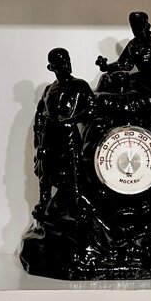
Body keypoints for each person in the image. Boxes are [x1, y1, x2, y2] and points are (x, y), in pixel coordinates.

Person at [32, 48, 93, 217]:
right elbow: (40, 115)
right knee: (45, 171)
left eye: (67, 60)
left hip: (69, 136)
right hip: (49, 137)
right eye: (61, 62)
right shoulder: (48, 90)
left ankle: (77, 203)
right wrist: (38, 142)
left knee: (74, 170)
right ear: (51, 67)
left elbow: (92, 109)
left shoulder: (79, 85)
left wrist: (71, 120)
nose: (67, 65)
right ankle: (44, 201)